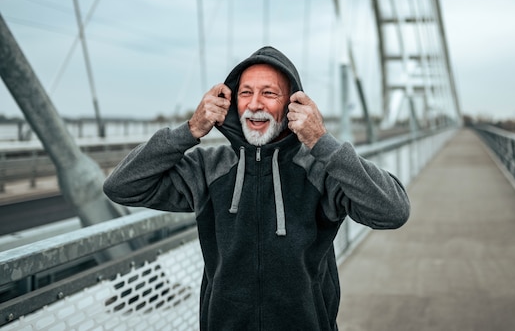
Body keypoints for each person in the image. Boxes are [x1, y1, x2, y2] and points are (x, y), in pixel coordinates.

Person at [103, 46, 410, 330]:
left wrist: (321, 142)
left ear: (292, 104)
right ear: (233, 103)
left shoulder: (319, 169)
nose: (254, 104)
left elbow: (393, 211)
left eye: (269, 93)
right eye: (246, 93)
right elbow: (121, 187)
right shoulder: (208, 167)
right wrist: (190, 130)